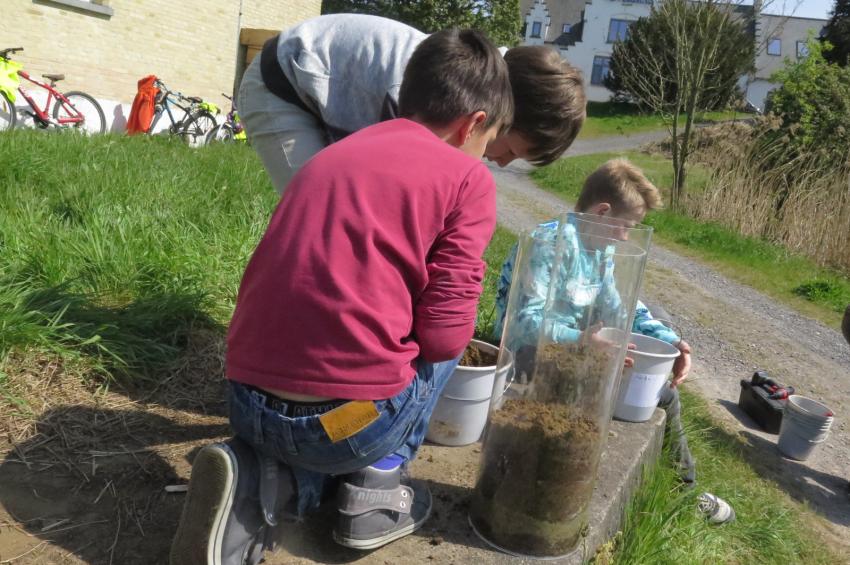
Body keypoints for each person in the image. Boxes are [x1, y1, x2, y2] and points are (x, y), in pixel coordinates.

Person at [169, 28, 513, 565]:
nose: (486, 157)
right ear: (473, 124)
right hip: (347, 425)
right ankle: (376, 490)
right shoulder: (467, 179)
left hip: (244, 399)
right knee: (448, 343)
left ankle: (261, 482)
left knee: (319, 420)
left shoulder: (335, 152)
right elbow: (445, 338)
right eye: (488, 143)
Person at [239, 13, 586, 195]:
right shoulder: (429, 98)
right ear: (499, 113)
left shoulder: (466, 84)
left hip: (334, 100)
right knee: (316, 209)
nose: (503, 163)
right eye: (511, 149)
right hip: (284, 84)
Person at [494, 158, 692, 385]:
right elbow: (522, 322)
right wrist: (581, 340)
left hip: (576, 340)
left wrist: (670, 342)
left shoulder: (599, 250)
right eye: (626, 227)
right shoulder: (550, 244)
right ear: (602, 212)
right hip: (526, 351)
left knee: (659, 315)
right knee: (652, 390)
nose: (624, 237)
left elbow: (616, 309)